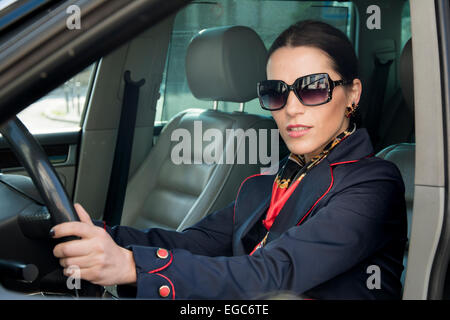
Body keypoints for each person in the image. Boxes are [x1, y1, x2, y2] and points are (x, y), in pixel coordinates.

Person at [50, 20, 407, 299]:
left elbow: (273, 273)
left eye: (313, 88)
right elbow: (191, 243)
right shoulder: (269, 185)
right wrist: (99, 234)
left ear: (352, 94)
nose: (292, 108)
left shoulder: (374, 183)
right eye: (276, 93)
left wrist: (131, 266)